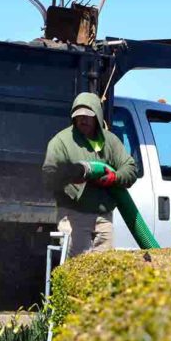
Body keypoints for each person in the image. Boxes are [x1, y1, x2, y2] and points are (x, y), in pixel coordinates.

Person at [42, 92, 138, 257]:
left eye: (88, 116)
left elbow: (130, 168)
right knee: (77, 271)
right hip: (73, 215)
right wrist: (70, 177)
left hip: (103, 219)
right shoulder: (61, 142)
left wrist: (115, 178)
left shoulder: (111, 141)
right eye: (78, 116)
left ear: (98, 116)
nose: (83, 119)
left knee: (104, 269)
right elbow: (48, 175)